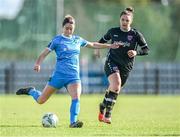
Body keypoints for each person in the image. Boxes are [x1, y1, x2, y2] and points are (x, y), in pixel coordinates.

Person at [16, 15, 119, 128]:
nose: (69, 30)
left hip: (73, 77)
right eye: (67, 28)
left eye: (71, 28)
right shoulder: (57, 40)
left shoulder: (77, 40)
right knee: (41, 100)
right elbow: (44, 53)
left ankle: (73, 122)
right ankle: (31, 91)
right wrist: (37, 63)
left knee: (76, 97)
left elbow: (93, 44)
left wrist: (110, 45)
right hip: (58, 76)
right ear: (62, 28)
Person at [95, 7, 149, 124]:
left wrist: (136, 52)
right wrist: (97, 49)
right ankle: (108, 115)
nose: (124, 22)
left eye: (127, 20)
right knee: (116, 84)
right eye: (123, 20)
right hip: (111, 62)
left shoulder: (136, 35)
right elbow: (101, 41)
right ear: (119, 20)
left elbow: (146, 50)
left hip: (126, 67)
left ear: (131, 21)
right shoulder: (113, 32)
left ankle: (103, 105)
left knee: (115, 88)